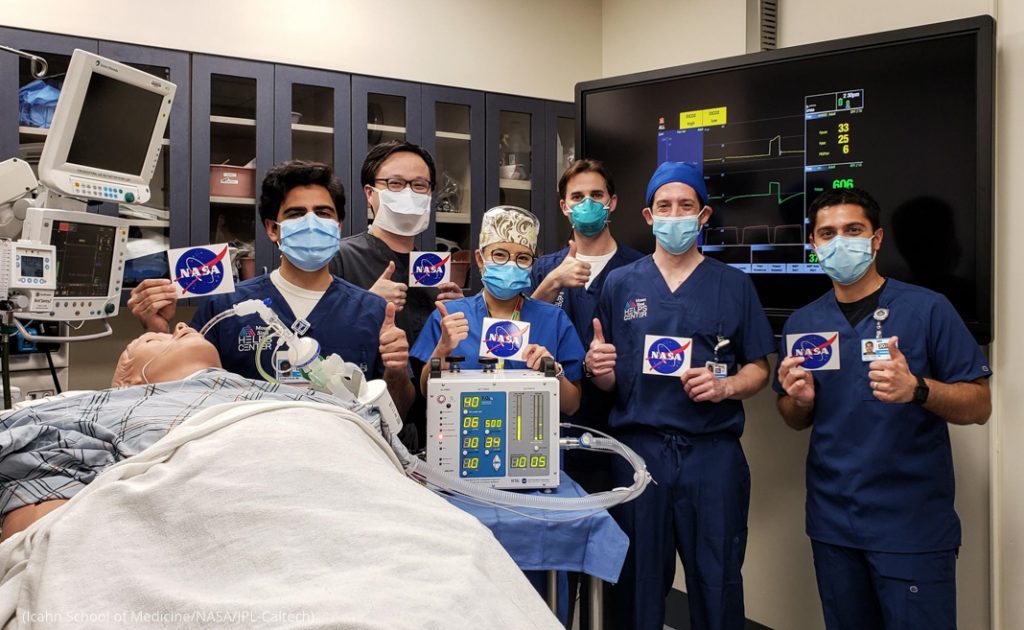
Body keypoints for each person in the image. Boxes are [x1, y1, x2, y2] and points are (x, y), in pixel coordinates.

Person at [774, 188, 991, 630]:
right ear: (813, 245)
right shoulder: (802, 324)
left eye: (853, 230)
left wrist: (918, 389)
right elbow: (795, 419)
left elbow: (980, 404)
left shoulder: (928, 309)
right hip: (834, 525)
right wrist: (798, 401)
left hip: (910, 526)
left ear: (876, 240)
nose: (840, 242)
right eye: (828, 233)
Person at [586, 161, 775, 630]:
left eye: (685, 205)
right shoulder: (621, 283)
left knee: (717, 580)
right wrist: (598, 370)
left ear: (703, 215)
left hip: (711, 454)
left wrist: (727, 386)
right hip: (638, 454)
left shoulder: (733, 285)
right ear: (649, 216)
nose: (675, 215)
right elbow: (612, 378)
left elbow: (760, 368)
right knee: (636, 585)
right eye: (664, 206)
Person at [0, 322, 353, 540]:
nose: (183, 325)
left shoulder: (286, 394)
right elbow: (37, 542)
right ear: (130, 382)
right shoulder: (100, 411)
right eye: (156, 339)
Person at [125, 161, 414, 416]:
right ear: (272, 229)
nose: (311, 223)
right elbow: (181, 402)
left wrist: (397, 370)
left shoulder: (373, 311)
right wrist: (158, 330)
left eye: (324, 213)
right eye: (296, 214)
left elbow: (398, 411)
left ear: (338, 227)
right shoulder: (226, 306)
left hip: (342, 461)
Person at [529, 159, 643, 626]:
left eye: (597, 195)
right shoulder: (543, 269)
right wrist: (551, 282)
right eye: (577, 197)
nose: (587, 205)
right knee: (554, 572)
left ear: (612, 203)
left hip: (618, 435)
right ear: (564, 206)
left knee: (614, 567)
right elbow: (508, 330)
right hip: (548, 435)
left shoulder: (638, 268)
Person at [331, 141, 465, 440]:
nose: (408, 193)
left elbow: (436, 362)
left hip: (431, 428)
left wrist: (458, 317)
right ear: (370, 193)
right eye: (395, 183)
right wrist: (366, 303)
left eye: (419, 185)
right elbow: (312, 344)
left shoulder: (432, 270)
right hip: (357, 426)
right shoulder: (339, 258)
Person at [411, 206, 584, 416]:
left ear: (532, 264)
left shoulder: (553, 319)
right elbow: (425, 391)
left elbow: (572, 405)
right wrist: (442, 349)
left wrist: (552, 370)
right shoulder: (449, 315)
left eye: (522, 258)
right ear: (480, 259)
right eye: (499, 254)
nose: (511, 265)